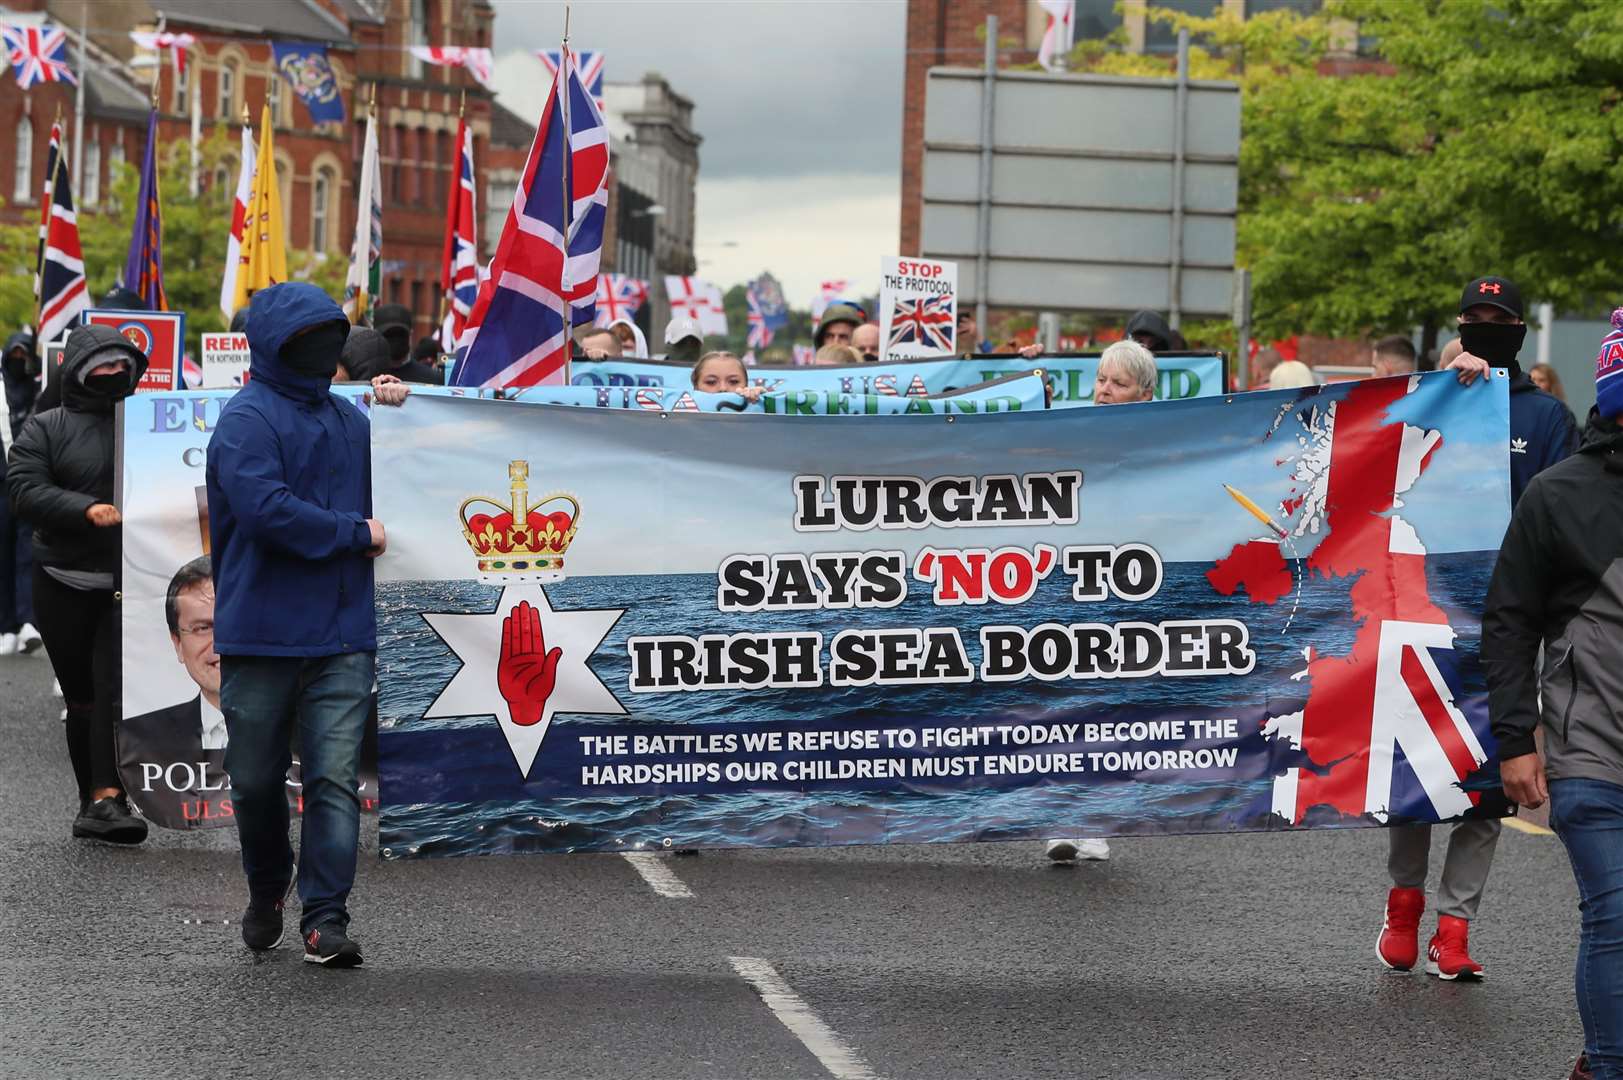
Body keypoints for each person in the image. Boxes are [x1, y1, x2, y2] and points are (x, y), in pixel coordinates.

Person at [1377, 275, 1581, 982]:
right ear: (1458, 325)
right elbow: (1382, 473)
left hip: (1508, 622)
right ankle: (1401, 906)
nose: (1485, 327)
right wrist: (1436, 392)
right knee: (1415, 771)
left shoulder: (1547, 416)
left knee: (1493, 776)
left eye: (1498, 319)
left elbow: (1568, 506)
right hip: (1424, 611)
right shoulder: (1430, 400)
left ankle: (1453, 926)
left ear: (1520, 329)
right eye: (1474, 317)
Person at [206, 282, 385, 967]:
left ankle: (325, 918)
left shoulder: (354, 422)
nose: (321, 351)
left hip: (343, 632)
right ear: (273, 345)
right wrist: (353, 532)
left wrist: (405, 418)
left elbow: (413, 479)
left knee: (334, 780)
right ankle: (266, 886)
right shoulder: (246, 419)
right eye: (307, 339)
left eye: (329, 338)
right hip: (261, 633)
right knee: (254, 781)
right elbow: (266, 512)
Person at [1482, 310, 1623, 1079]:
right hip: (1589, 752)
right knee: (1615, 917)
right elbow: (1508, 621)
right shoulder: (1555, 494)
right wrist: (1513, 739)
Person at [7, 323, 149, 843]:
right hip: (61, 580)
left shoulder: (149, 424)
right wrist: (85, 508)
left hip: (128, 582)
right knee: (82, 698)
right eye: (103, 367)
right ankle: (91, 800)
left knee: (112, 693)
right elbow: (23, 490)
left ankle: (110, 798)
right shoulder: (45, 427)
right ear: (78, 372)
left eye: (122, 367)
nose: (114, 374)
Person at [1045, 338, 1159, 865]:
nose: (1104, 392)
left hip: (1134, 586)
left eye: (1118, 383)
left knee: (1113, 708)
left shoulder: (1166, 441)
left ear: (1144, 392)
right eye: (1100, 380)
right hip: (1072, 584)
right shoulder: (1073, 430)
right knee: (1066, 700)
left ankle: (1095, 817)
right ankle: (1064, 819)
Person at [0, 329, 42, 655]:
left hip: (30, 482)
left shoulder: (40, 390)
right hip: (2, 484)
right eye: (13, 355)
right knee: (4, 554)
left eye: (23, 355)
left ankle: (28, 619)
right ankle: (6, 625)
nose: (18, 360)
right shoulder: (2, 389)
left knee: (28, 552)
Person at [372, 303, 440, 384]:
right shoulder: (365, 375)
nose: (395, 340)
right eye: (388, 335)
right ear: (375, 335)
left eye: (400, 334)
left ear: (411, 334)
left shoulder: (432, 379)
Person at [691, 351, 763, 402]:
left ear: (746, 385)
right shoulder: (681, 416)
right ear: (696, 387)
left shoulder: (758, 404)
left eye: (733, 381)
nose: (723, 388)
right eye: (711, 382)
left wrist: (766, 401)